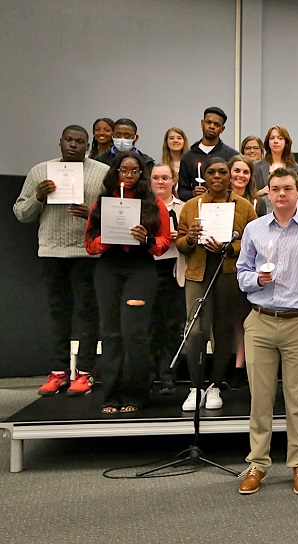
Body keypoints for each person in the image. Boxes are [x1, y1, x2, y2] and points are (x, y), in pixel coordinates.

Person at [236, 167, 298, 495]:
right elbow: (241, 274)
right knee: (260, 399)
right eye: (276, 188)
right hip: (261, 320)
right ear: (269, 191)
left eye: (288, 188)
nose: (281, 194)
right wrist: (256, 280)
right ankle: (257, 463)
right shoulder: (254, 228)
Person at [14, 125, 108, 396]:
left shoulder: (101, 172)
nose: (73, 145)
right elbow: (22, 213)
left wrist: (91, 214)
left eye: (80, 141)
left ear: (87, 145)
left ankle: (86, 372)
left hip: (87, 253)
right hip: (52, 252)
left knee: (88, 313)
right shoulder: (40, 171)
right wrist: (39, 197)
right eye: (69, 140)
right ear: (60, 142)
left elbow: (112, 212)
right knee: (58, 314)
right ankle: (58, 372)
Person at [84, 153, 171, 412]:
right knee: (110, 333)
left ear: (141, 175)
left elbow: (163, 243)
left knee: (134, 333)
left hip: (140, 270)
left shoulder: (153, 203)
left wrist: (146, 240)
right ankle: (111, 394)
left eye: (134, 171)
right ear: (116, 172)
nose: (129, 176)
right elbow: (89, 244)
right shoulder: (103, 203)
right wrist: (106, 239)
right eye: (124, 170)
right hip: (109, 268)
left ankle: (136, 393)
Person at [176, 156, 257, 411]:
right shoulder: (191, 206)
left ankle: (215, 386)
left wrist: (229, 247)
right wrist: (189, 239)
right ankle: (195, 387)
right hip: (198, 273)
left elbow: (252, 242)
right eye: (212, 172)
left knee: (223, 331)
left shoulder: (243, 206)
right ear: (206, 177)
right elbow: (179, 242)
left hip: (228, 274)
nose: (218, 177)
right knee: (196, 331)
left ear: (230, 176)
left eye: (223, 172)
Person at [149, 163, 186, 393]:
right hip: (149, 269)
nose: (160, 182)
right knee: (150, 325)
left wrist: (180, 235)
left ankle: (167, 374)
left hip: (175, 269)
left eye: (165, 177)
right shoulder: (143, 208)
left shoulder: (184, 208)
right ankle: (150, 374)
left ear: (173, 180)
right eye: (155, 178)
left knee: (172, 325)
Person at [228, 155, 261, 387]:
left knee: (242, 318)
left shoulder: (257, 203)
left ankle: (240, 365)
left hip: (249, 268)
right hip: (222, 267)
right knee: (222, 320)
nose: (240, 175)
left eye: (245, 172)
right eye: (236, 170)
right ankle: (226, 362)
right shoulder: (217, 200)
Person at [177, 106, 239, 201]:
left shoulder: (232, 155)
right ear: (202, 124)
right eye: (208, 122)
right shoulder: (188, 156)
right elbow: (182, 191)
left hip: (225, 207)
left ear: (222, 129)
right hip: (197, 207)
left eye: (216, 124)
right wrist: (192, 193)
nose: (211, 126)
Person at [252, 125, 298, 195]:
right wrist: (260, 192)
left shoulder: (295, 167)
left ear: (286, 143)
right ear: (268, 142)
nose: (275, 141)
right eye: (272, 138)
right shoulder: (257, 166)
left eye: (280, 138)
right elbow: (250, 194)